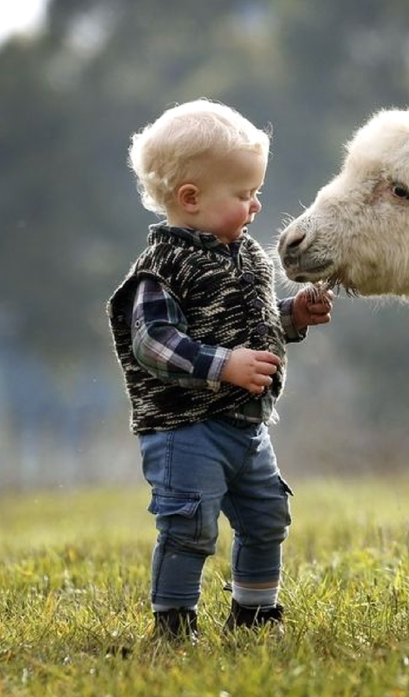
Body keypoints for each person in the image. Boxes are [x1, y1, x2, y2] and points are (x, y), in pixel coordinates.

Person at [105, 99, 334, 640]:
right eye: (244, 194)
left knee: (267, 517)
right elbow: (153, 343)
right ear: (191, 198)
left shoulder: (246, 254)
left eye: (256, 191)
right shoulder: (161, 268)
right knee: (189, 526)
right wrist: (224, 366)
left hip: (246, 427)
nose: (256, 206)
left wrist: (292, 315)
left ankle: (254, 613)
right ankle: (174, 625)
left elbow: (250, 326)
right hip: (185, 430)